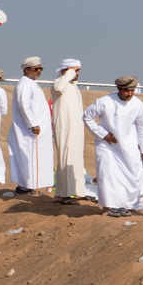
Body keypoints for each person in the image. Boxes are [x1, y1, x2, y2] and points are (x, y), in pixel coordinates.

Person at [83, 76, 143, 216]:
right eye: (127, 91)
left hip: (129, 146)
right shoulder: (105, 102)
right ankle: (107, 208)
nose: (130, 94)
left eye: (132, 90)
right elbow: (87, 117)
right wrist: (104, 135)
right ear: (119, 89)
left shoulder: (138, 104)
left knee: (132, 176)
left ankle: (128, 207)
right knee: (107, 176)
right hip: (107, 146)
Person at [8, 57, 54, 194]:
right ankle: (24, 187)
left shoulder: (32, 84)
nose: (39, 71)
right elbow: (23, 104)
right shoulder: (24, 84)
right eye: (36, 69)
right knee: (27, 159)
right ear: (26, 69)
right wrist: (33, 124)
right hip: (28, 132)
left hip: (35, 131)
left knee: (33, 160)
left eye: (41, 68)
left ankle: (29, 186)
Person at [52, 59, 89, 203]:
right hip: (65, 128)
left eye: (78, 70)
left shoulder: (73, 86)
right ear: (65, 71)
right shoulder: (59, 83)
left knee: (75, 159)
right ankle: (66, 194)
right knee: (66, 158)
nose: (77, 73)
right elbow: (59, 87)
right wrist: (69, 74)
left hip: (76, 129)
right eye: (75, 70)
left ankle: (73, 191)